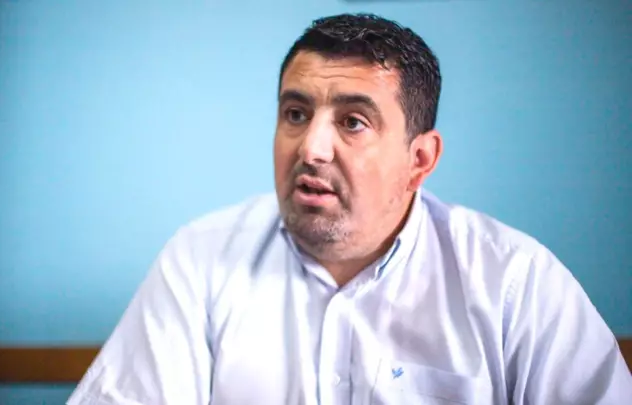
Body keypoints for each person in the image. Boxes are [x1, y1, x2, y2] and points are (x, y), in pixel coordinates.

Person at [67, 13, 632, 405]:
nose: (311, 147)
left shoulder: (514, 281)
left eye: (353, 121)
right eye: (295, 114)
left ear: (419, 159)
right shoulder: (201, 260)